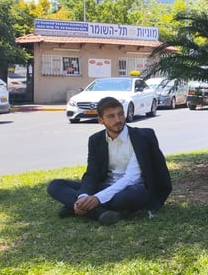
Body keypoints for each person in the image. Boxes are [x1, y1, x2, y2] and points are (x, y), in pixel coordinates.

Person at [47, 96, 172, 225]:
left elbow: (131, 178)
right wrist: (83, 196)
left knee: (134, 195)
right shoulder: (96, 140)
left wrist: (97, 198)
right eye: (111, 116)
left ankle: (76, 207)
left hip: (131, 189)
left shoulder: (142, 137)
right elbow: (92, 174)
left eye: (120, 114)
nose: (118, 120)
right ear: (101, 120)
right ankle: (98, 212)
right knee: (55, 185)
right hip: (105, 186)